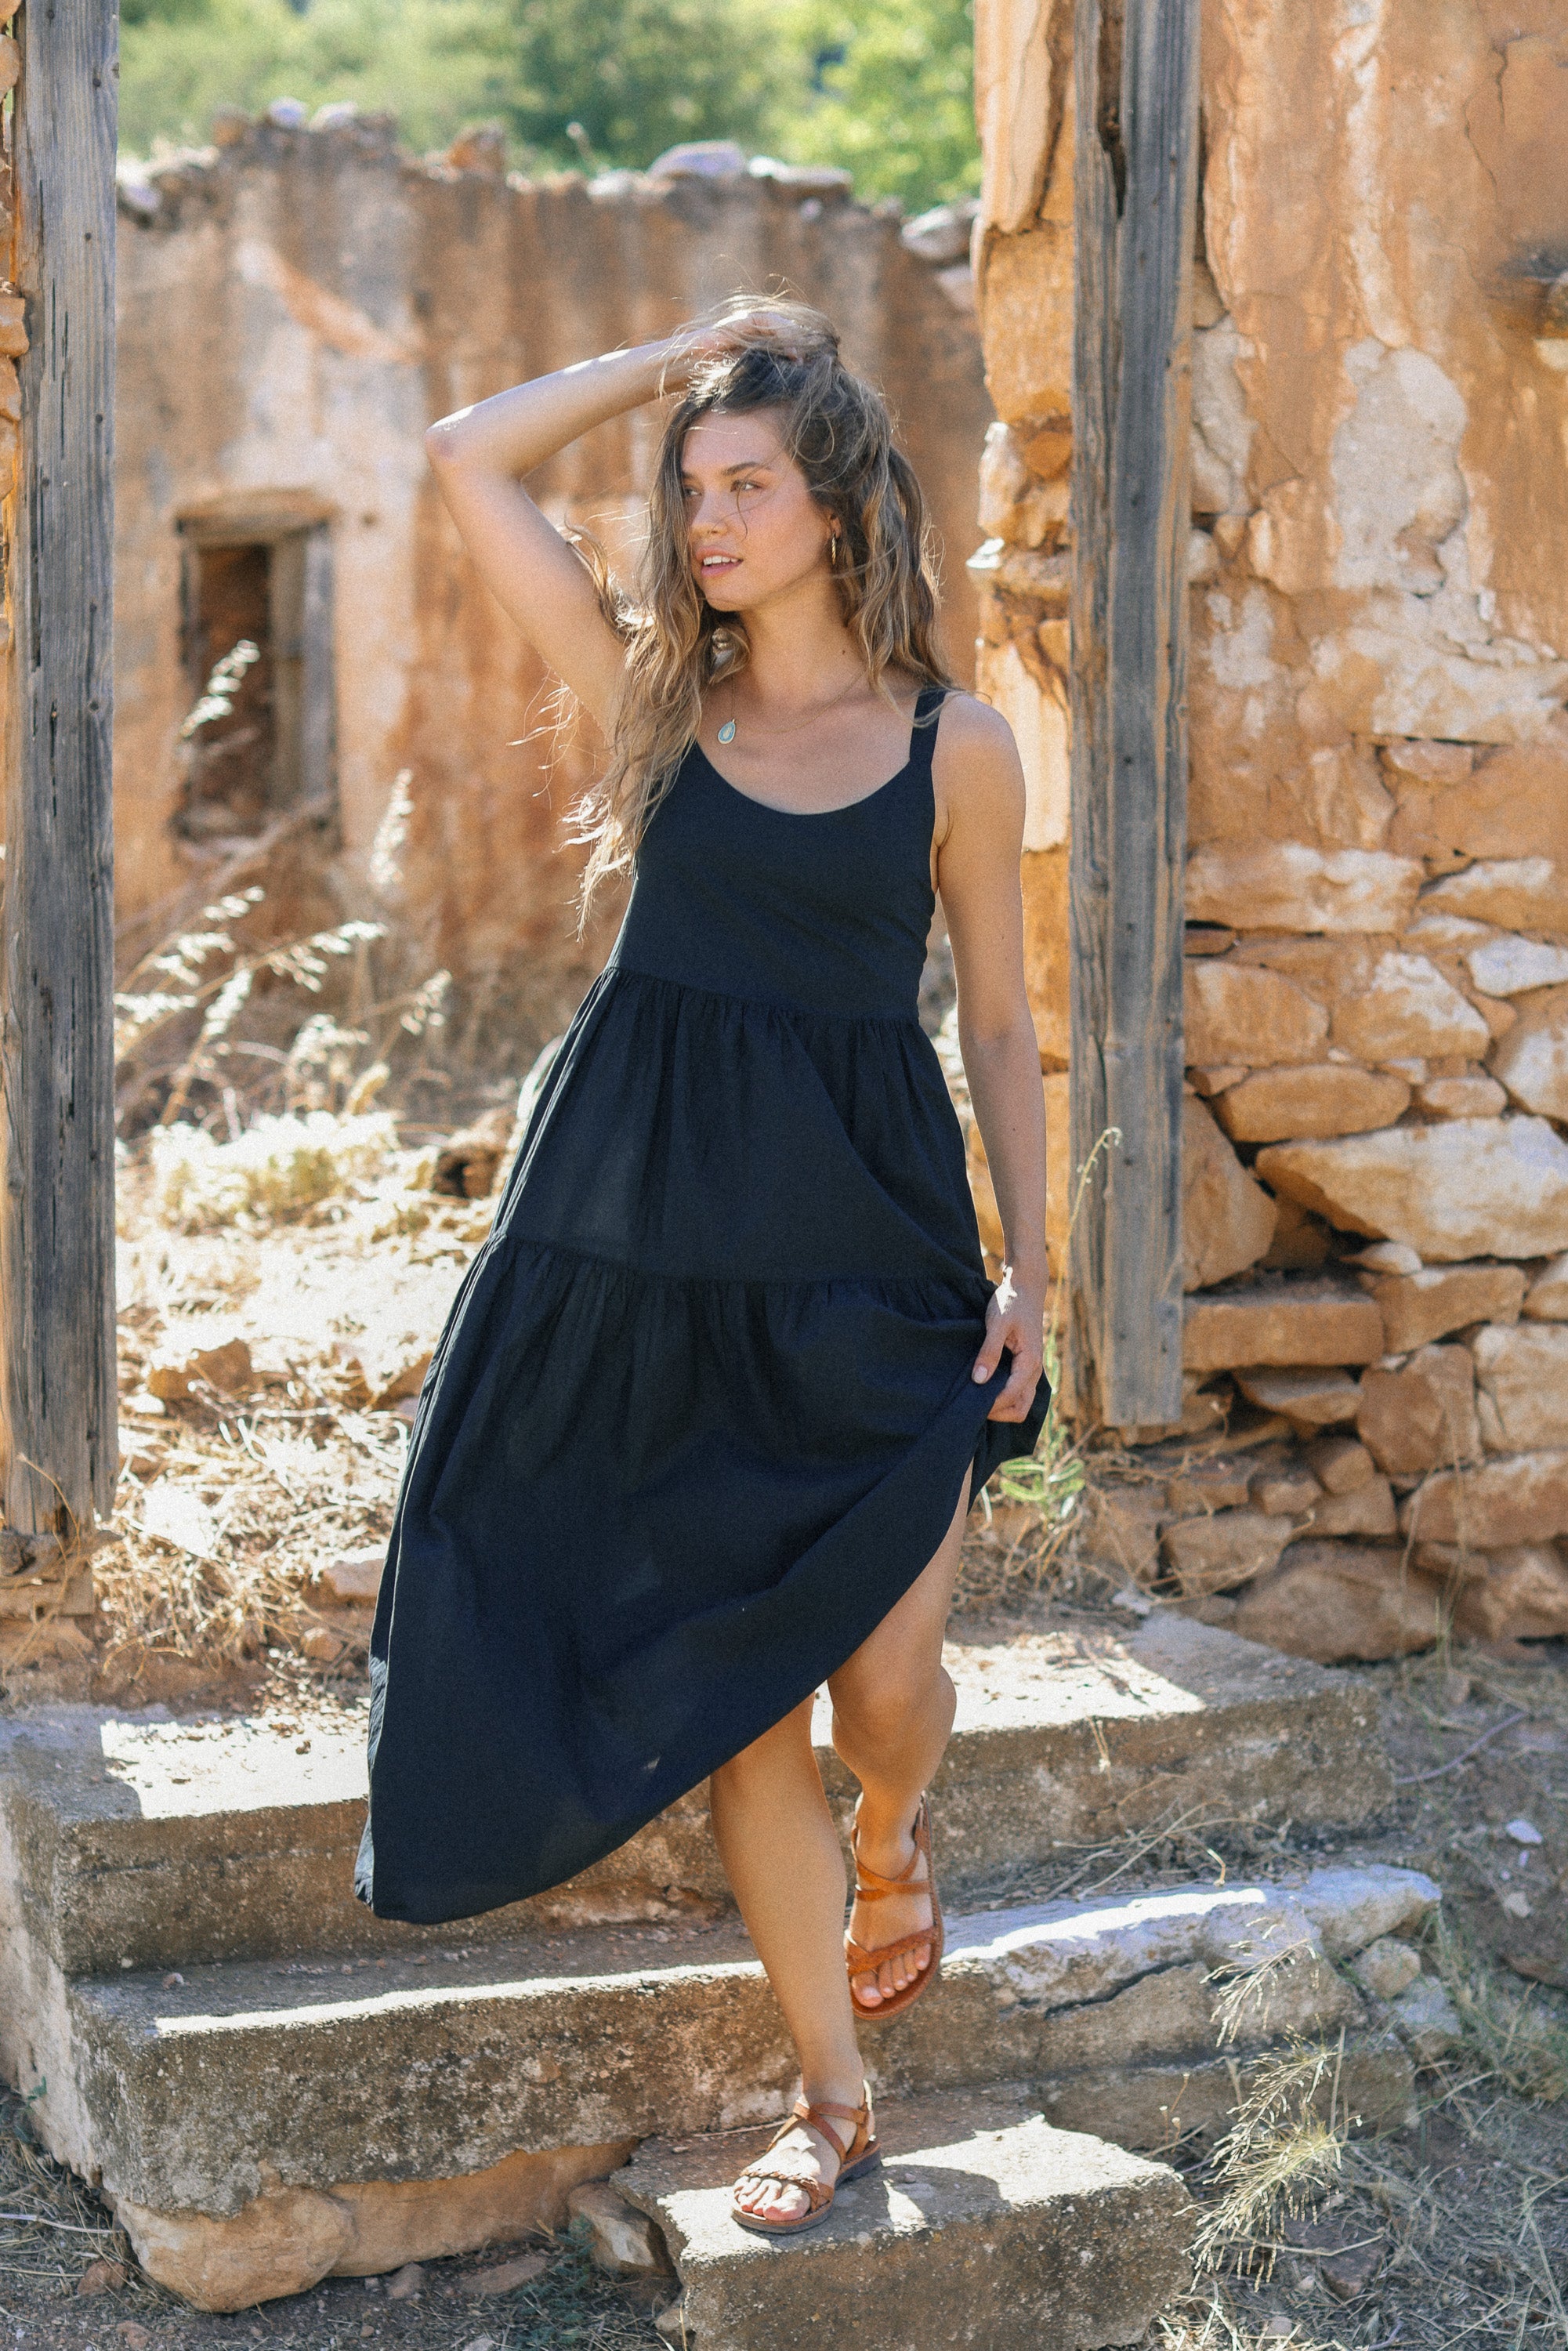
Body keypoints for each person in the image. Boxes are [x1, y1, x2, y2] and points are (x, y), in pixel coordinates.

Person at [356, 300, 1048, 2236]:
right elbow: (464, 455)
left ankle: (896, 1831)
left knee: (884, 1696)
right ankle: (831, 2101)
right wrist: (678, 356)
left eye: (748, 483)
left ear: (835, 505)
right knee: (752, 1708)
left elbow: (1000, 1025)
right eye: (690, 491)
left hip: (878, 1276)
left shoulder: (955, 749)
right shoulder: (665, 711)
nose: (710, 520)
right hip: (660, 1276)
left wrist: (1033, 1271)